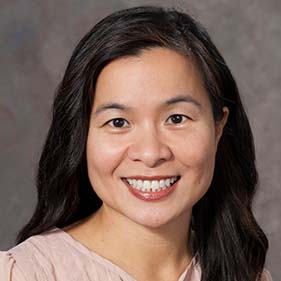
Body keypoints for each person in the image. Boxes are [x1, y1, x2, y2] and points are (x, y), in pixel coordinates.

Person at [0, 5, 273, 281]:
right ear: (80, 134)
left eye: (177, 118)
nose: (151, 153)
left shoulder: (247, 275)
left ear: (218, 127)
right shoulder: (25, 273)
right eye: (118, 122)